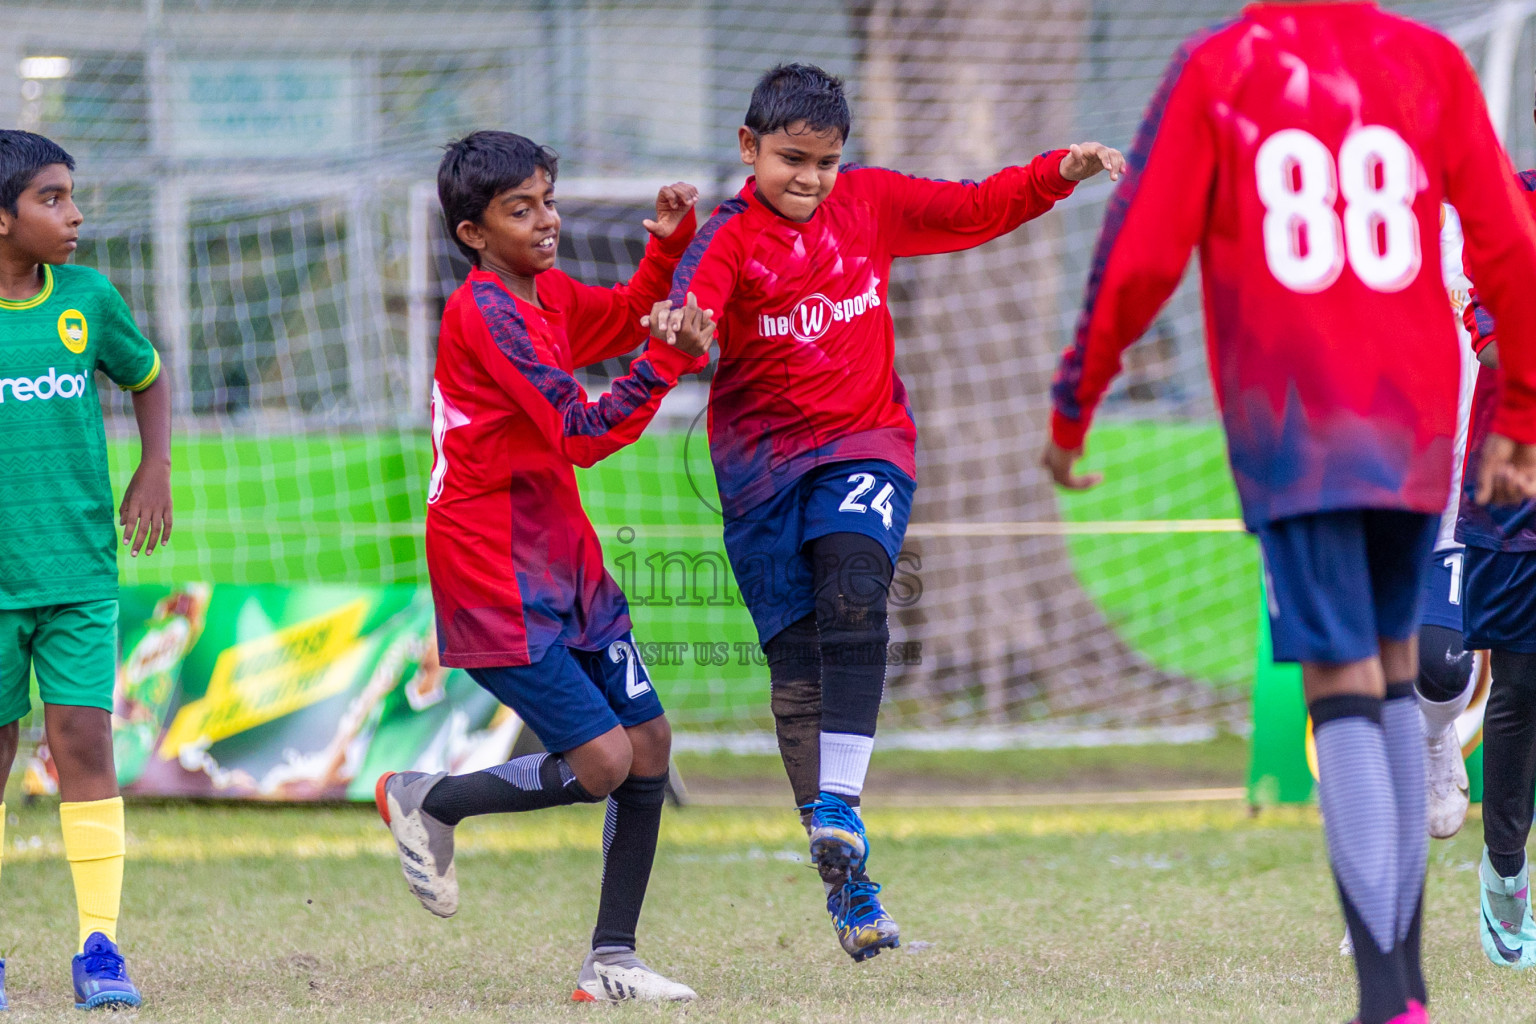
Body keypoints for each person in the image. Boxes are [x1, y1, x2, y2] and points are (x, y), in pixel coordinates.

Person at [1042, 6, 1536, 1024]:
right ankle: (1406, 990)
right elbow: (1508, 243)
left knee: (1344, 684)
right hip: (1415, 423)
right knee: (1397, 669)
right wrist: (1521, 413)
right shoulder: (1432, 61)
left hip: (1296, 421)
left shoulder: (1220, 64)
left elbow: (1140, 254)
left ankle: (1386, 996)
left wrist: (1076, 397)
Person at [665, 61, 1124, 961]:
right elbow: (695, 317)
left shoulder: (868, 204)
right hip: (757, 476)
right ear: (750, 149)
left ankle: (840, 803)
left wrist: (1054, 172)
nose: (810, 179)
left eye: (827, 162)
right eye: (792, 160)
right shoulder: (723, 241)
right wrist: (690, 336)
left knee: (856, 586)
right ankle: (847, 877)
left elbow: (972, 207)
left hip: (864, 445)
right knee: (796, 670)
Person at [374, 130, 711, 1003]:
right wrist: (670, 360)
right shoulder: (485, 313)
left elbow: (625, 311)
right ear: (473, 235)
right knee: (601, 763)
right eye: (520, 210)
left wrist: (667, 248)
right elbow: (582, 433)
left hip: (565, 557)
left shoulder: (547, 292)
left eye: (547, 200)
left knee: (650, 745)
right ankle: (431, 800)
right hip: (491, 571)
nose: (546, 221)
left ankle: (612, 963)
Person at [0, 129, 173, 1010]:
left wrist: (155, 468)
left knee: (83, 745)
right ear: (2, 219)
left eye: (71, 196)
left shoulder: (90, 300)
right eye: (52, 199)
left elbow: (146, 375)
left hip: (76, 570)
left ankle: (99, 946)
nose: (74, 215)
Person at [1454, 158, 1536, 970]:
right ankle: (1507, 876)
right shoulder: (1502, 204)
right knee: (1520, 684)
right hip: (1516, 490)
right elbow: (1490, 326)